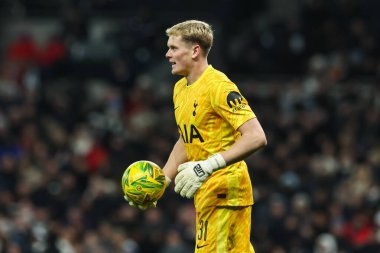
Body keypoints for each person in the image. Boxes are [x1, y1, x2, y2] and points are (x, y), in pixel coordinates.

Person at [125, 20, 267, 253]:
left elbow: (256, 136)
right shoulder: (180, 89)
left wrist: (207, 166)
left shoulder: (218, 86)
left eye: (173, 48)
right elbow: (188, 139)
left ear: (195, 51)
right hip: (207, 190)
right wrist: (163, 180)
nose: (167, 54)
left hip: (225, 190)